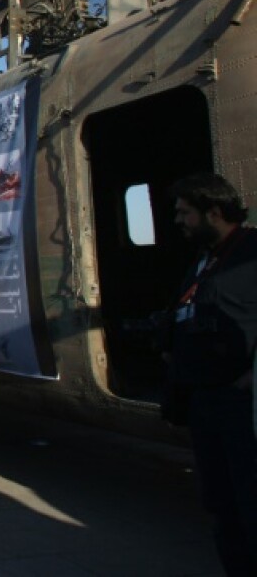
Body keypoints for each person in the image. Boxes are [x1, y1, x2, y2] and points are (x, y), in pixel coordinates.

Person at [159, 173, 257, 575]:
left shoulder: (251, 252)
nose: (178, 221)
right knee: (222, 505)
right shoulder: (205, 260)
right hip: (206, 403)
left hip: (242, 406)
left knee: (251, 502)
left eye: (185, 213)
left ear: (213, 212)